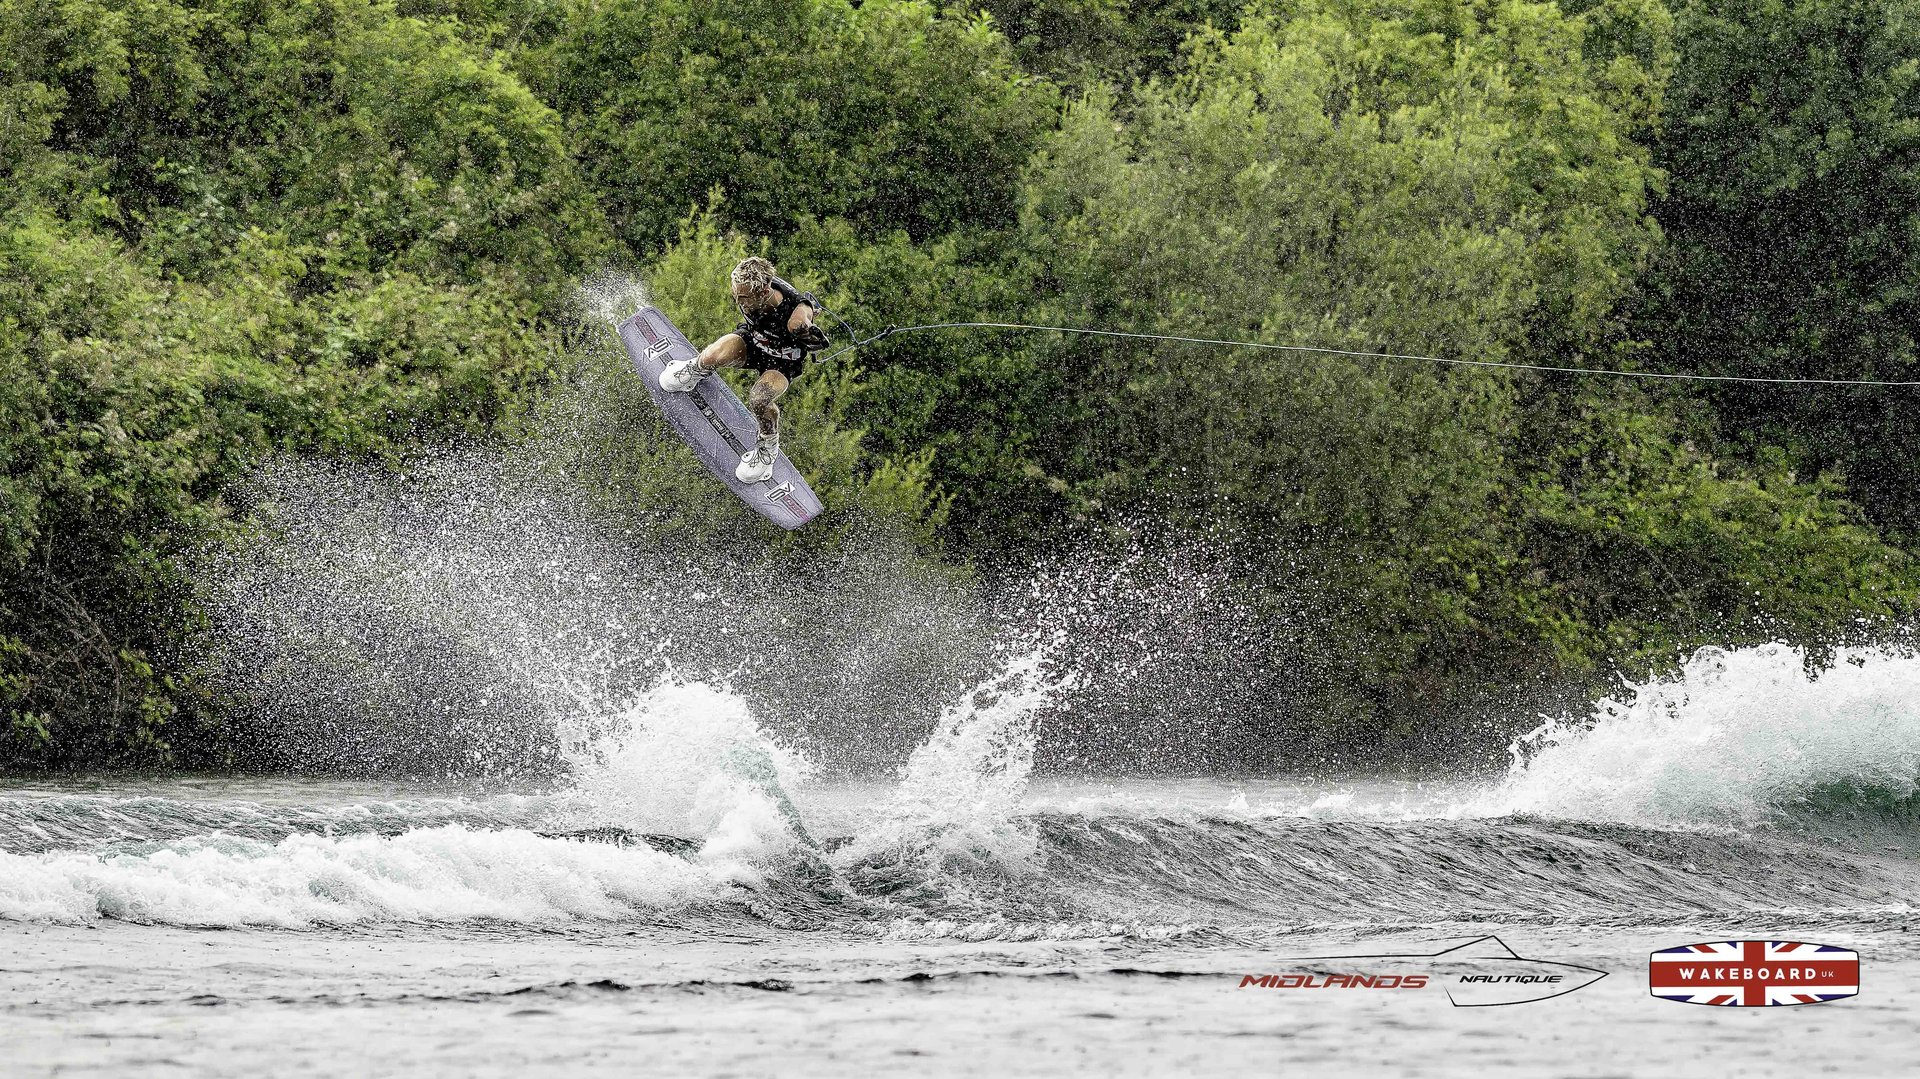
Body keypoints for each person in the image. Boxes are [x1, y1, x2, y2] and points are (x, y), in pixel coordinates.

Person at [658, 257, 830, 482]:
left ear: (763, 291)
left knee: (759, 399)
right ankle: (693, 373)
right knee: (710, 355)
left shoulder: (794, 312)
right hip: (753, 343)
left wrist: (806, 329)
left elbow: (805, 312)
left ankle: (768, 448)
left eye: (744, 297)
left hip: (781, 362)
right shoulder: (749, 285)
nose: (739, 300)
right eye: (736, 294)